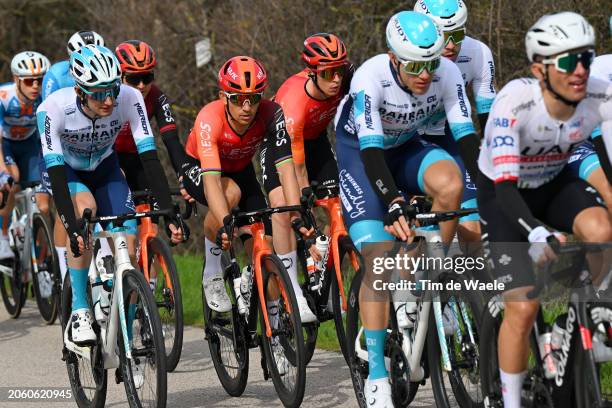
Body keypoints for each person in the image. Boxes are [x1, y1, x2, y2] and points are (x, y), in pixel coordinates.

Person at [335, 11, 479, 407]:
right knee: (379, 259)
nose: (425, 74)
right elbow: (370, 152)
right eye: (415, 65)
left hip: (406, 149)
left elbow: (468, 140)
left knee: (452, 184)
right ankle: (378, 375)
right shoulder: (369, 77)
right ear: (393, 58)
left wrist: (491, 188)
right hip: (363, 157)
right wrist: (393, 202)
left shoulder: (445, 74)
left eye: (431, 64)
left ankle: (428, 283)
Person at [476, 12, 612, 408]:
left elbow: (606, 161)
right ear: (540, 68)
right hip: (506, 195)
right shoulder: (514, 102)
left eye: (586, 58)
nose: (581, 70)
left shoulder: (599, 93)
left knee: (601, 230)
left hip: (553, 182)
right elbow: (503, 188)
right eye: (568, 62)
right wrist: (535, 232)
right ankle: (513, 400)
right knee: (522, 305)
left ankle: (586, 310)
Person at [37, 44, 183, 348]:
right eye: (98, 93)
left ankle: (124, 329)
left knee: (128, 245)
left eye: (112, 90)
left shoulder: (129, 97)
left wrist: (168, 211)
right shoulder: (52, 108)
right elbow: (56, 172)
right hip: (66, 171)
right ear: (79, 91)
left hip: (105, 168)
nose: (108, 100)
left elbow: (149, 157)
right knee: (84, 210)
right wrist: (72, 223)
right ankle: (79, 308)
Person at [180, 56, 317, 324]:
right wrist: (225, 223)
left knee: (264, 243)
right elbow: (212, 182)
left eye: (253, 99)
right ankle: (212, 272)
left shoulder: (271, 113)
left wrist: (295, 213)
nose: (246, 107)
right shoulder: (209, 118)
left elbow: (286, 169)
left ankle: (276, 322)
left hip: (242, 170)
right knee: (229, 195)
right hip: (202, 168)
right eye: (237, 99)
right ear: (223, 96)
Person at [414, 0, 496, 243]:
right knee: (410, 231)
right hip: (407, 138)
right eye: (442, 35)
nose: (451, 45)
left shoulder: (477, 53)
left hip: (452, 135)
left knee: (473, 229)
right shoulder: (409, 58)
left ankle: (446, 273)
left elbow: (488, 120)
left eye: (457, 34)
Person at [41, 30, 105, 285]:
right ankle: (63, 267)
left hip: (92, 145)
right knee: (63, 206)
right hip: (60, 142)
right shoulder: (56, 75)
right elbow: (48, 120)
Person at [274, 33, 351, 191]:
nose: (336, 79)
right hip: (283, 143)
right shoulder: (294, 105)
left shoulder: (348, 77)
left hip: (316, 137)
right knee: (291, 203)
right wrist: (304, 189)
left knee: (336, 199)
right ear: (312, 72)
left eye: (339, 70)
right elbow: (299, 169)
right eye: (328, 73)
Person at [0, 51, 50, 259]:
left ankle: (43, 267)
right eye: (29, 81)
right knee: (12, 179)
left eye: (40, 80)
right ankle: (2, 235)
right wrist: (3, 170)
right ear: (16, 80)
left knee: (44, 206)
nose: (35, 86)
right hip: (6, 145)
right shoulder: (3, 97)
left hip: (30, 145)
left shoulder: (45, 97)